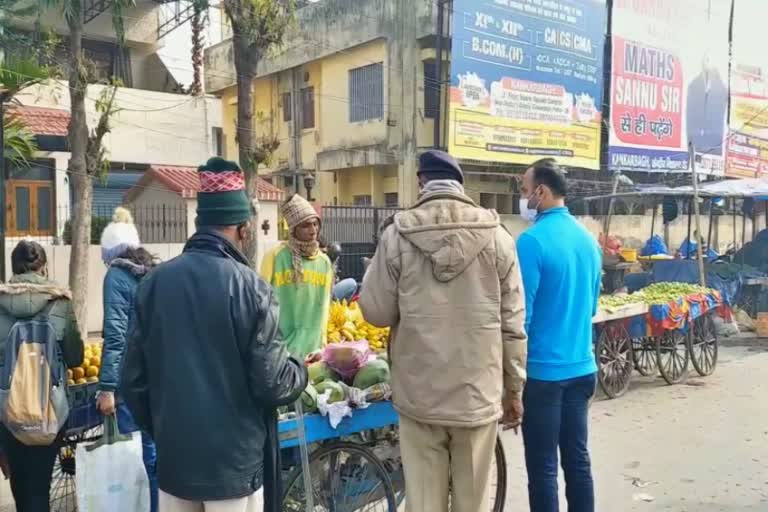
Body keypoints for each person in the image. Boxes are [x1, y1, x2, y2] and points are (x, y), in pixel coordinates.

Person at [120, 157, 307, 512]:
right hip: (233, 468)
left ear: (199, 222)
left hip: (176, 462)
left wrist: (163, 428)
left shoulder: (153, 284)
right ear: (243, 228)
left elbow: (132, 381)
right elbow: (273, 383)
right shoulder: (252, 288)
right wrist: (300, 369)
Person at [359, 150, 527, 512]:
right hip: (476, 396)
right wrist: (514, 390)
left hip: (420, 397)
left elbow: (375, 311)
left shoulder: (397, 235)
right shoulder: (498, 238)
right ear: (460, 186)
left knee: (422, 503)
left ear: (422, 182)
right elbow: (513, 326)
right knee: (473, 503)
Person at [516, 159, 601, 512]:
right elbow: (593, 307)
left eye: (523, 190)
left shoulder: (531, 241)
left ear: (542, 192)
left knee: (543, 469)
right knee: (578, 462)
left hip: (543, 375)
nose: (521, 198)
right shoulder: (588, 240)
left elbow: (522, 318)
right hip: (582, 368)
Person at [0, 241, 84, 511]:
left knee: (21, 485)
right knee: (40, 485)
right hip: (49, 410)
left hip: (7, 411)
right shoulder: (60, 304)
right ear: (43, 267)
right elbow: (75, 357)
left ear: (13, 269)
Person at [95, 207, 159, 512]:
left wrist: (107, 386)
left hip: (130, 382)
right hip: (159, 378)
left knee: (137, 458)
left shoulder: (116, 278)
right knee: (155, 457)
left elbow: (116, 335)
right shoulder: (152, 272)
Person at [260, 194, 334, 360]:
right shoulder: (275, 257)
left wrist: (322, 344)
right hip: (281, 349)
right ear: (293, 229)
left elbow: (325, 306)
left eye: (315, 224)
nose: (313, 230)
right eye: (306, 225)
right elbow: (261, 302)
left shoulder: (324, 262)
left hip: (314, 349)